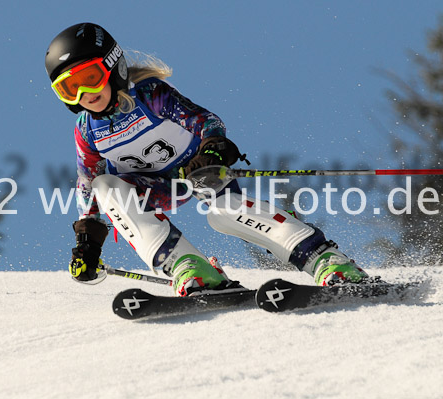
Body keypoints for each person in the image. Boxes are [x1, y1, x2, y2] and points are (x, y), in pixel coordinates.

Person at [44, 22, 368, 296]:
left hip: (200, 172)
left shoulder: (150, 95)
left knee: (223, 214)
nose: (83, 94)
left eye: (89, 78)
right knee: (105, 185)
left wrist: (211, 151)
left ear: (114, 66)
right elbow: (88, 185)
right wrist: (88, 243)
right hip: (152, 188)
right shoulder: (87, 131)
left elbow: (206, 121)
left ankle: (325, 259)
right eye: (68, 88)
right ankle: (188, 266)